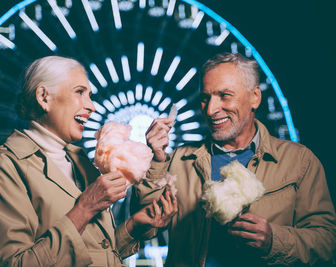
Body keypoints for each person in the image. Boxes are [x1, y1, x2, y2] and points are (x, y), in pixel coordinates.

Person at [134, 52, 336, 266]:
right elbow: (143, 228)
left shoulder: (299, 161)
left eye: (225, 95)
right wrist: (156, 159)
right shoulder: (179, 161)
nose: (211, 110)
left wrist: (273, 240)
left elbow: (328, 243)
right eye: (205, 98)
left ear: (254, 97)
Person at [0, 56, 177, 267]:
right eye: (80, 92)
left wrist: (133, 227)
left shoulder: (78, 159)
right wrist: (84, 209)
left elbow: (92, 252)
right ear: (44, 97)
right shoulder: (5, 165)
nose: (92, 106)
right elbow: (15, 264)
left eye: (90, 95)